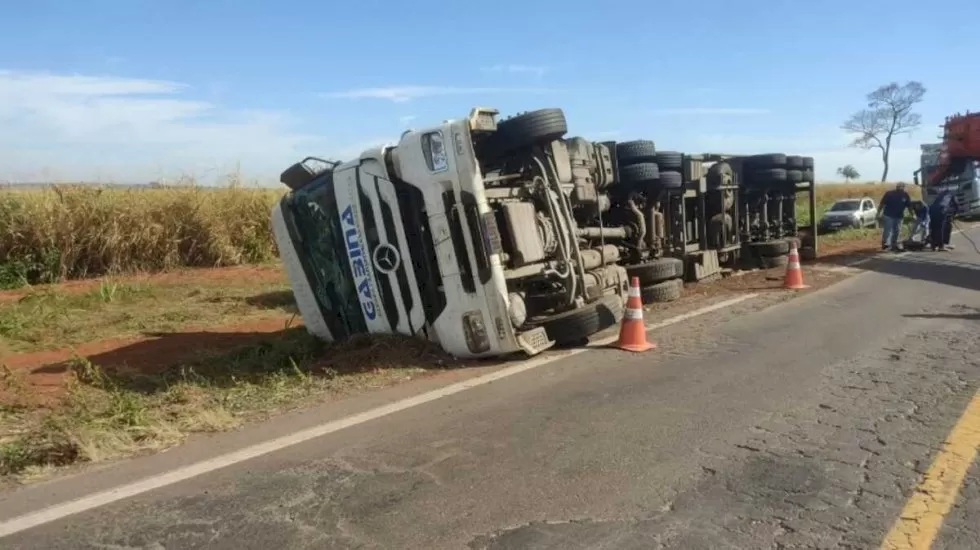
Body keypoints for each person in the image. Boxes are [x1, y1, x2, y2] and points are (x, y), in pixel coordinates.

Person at [877, 182, 914, 252]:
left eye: (902, 186)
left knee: (897, 231)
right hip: (888, 215)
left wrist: (912, 215)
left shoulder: (905, 195)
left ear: (904, 187)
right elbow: (882, 204)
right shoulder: (889, 194)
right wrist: (878, 213)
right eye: (899, 186)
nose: (900, 188)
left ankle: (894, 244)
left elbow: (909, 206)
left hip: (899, 216)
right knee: (888, 230)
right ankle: (886, 244)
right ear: (896, 187)